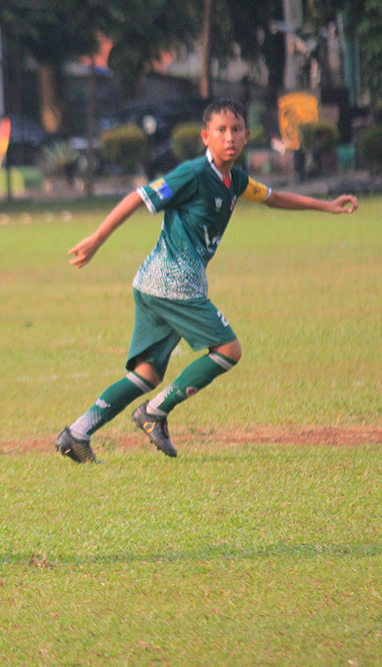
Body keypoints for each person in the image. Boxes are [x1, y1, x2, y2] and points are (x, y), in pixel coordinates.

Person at [54, 98, 359, 464]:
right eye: (220, 130)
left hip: (152, 284)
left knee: (146, 373)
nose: (229, 137)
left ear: (246, 137)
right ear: (205, 137)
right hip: (173, 285)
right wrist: (97, 239)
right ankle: (154, 412)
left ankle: (76, 433)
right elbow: (139, 197)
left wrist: (326, 206)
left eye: (235, 130)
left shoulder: (236, 181)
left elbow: (273, 198)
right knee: (228, 350)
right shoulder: (194, 174)